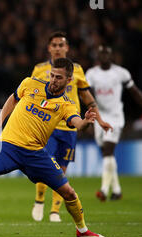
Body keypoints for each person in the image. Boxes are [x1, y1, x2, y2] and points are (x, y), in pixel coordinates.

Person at [0, 58, 108, 237]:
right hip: (9, 146)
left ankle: (82, 230)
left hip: (35, 153)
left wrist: (85, 122)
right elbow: (13, 98)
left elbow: (77, 123)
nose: (53, 80)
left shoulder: (67, 105)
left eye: (58, 77)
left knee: (68, 192)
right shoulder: (31, 83)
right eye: (52, 75)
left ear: (69, 80)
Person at [27, 31, 111, 222]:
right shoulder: (39, 69)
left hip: (70, 127)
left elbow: (87, 97)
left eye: (61, 45)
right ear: (49, 48)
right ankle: (39, 199)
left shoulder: (77, 70)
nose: (57, 48)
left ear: (67, 48)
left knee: (61, 169)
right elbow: (30, 96)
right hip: (47, 124)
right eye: (54, 45)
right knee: (43, 164)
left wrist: (100, 119)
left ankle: (55, 210)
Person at [86, 45, 142, 201]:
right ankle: (117, 190)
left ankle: (104, 190)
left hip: (115, 117)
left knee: (108, 151)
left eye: (107, 52)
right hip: (99, 116)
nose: (104, 56)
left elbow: (136, 93)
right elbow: (86, 95)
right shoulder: (91, 74)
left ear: (111, 55)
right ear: (97, 56)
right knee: (107, 156)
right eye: (101, 53)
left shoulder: (121, 73)